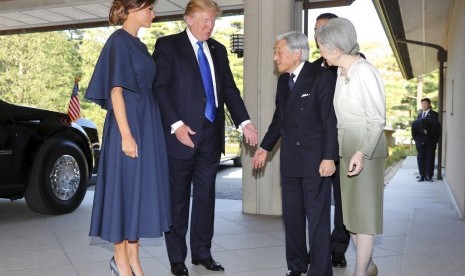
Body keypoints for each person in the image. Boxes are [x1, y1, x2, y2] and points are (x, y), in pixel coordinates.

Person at [152, 0, 258, 275]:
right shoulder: (168, 46)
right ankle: (177, 258)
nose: (210, 26)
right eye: (205, 20)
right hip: (181, 136)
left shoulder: (218, 50)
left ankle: (202, 253)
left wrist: (244, 121)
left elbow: (229, 91)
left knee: (205, 198)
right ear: (188, 18)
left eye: (213, 21)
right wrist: (176, 125)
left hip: (211, 135)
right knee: (177, 199)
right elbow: (160, 88)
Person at [86, 1, 171, 276]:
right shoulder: (118, 42)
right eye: (150, 9)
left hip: (145, 125)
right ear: (135, 9)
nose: (153, 15)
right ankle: (120, 261)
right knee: (124, 191)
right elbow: (116, 92)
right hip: (129, 126)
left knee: (137, 191)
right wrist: (126, 135)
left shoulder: (139, 45)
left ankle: (134, 259)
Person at [253, 31, 338, 276]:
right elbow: (279, 119)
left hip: (316, 161)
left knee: (318, 219)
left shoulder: (321, 77)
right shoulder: (283, 81)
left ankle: (320, 270)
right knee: (292, 219)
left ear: (297, 53)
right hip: (290, 161)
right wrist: (265, 148)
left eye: (279, 52)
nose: (275, 57)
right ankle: (296, 265)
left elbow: (329, 120)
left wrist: (329, 157)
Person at [316, 17, 388, 276]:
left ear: (335, 50)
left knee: (364, 217)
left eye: (322, 47)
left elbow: (377, 118)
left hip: (365, 149)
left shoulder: (364, 71)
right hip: (346, 148)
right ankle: (368, 266)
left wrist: (360, 152)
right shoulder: (340, 71)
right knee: (351, 218)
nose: (320, 53)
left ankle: (361, 272)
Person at [312, 12, 350, 269]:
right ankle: (318, 249)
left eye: (323, 29)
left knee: (343, 201)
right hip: (318, 146)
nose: (318, 35)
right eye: (315, 30)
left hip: (345, 144)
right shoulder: (313, 69)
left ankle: (338, 249)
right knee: (317, 201)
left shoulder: (352, 64)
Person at [412, 98, 440, 182]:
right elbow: (416, 129)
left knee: (430, 157)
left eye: (425, 103)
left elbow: (437, 128)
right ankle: (422, 175)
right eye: (422, 103)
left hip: (430, 141)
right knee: (420, 158)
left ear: (429, 105)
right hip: (420, 142)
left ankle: (429, 176)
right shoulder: (420, 115)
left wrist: (435, 140)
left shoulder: (435, 114)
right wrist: (416, 140)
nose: (424, 105)